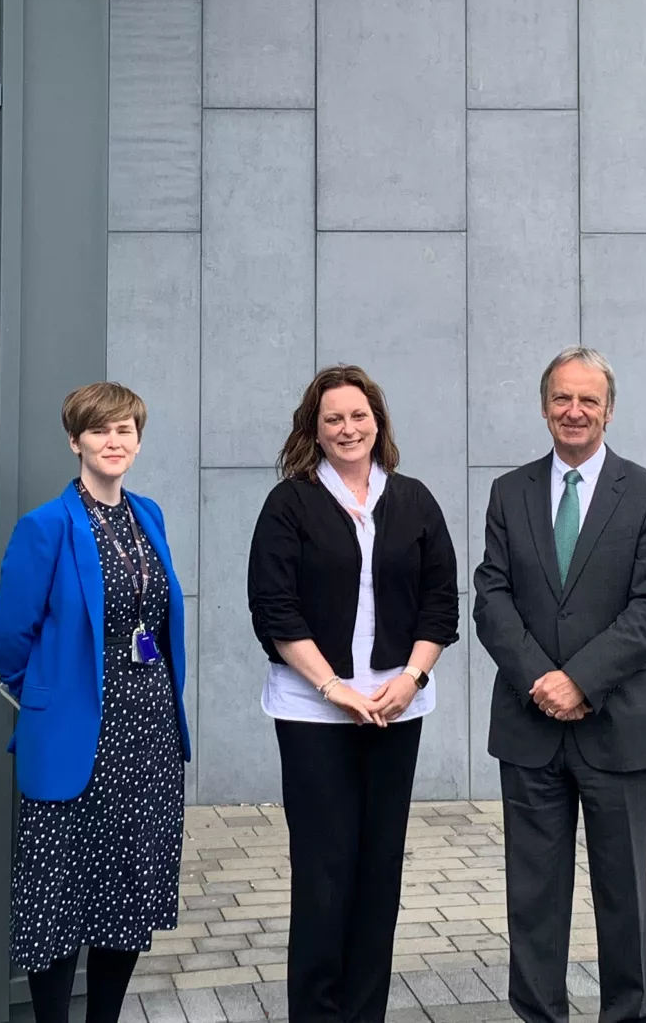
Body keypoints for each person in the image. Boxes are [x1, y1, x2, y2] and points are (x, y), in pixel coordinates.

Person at [473, 347, 646, 1023]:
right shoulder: (510, 492)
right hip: (530, 726)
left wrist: (581, 680)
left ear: (609, 409)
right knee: (533, 899)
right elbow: (491, 598)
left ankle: (630, 1015)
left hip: (617, 723)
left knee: (626, 895)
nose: (574, 411)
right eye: (563, 398)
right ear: (544, 406)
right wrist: (542, 679)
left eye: (588, 400)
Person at [247, 365, 460, 1023]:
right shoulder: (292, 502)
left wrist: (412, 678)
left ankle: (365, 1012)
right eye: (333, 418)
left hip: (397, 709)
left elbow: (440, 602)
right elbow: (274, 608)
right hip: (314, 711)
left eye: (358, 416)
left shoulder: (416, 499)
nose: (348, 428)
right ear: (314, 429)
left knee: (378, 871)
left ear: (378, 423)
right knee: (324, 871)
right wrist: (333, 686)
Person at [0, 382, 190, 1023]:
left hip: (147, 732)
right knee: (57, 895)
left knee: (125, 889)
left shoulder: (148, 516)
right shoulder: (46, 526)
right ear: (75, 440)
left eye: (125, 430)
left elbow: (154, 621)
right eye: (100, 430)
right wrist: (45, 698)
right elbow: (7, 642)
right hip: (77, 736)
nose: (114, 441)